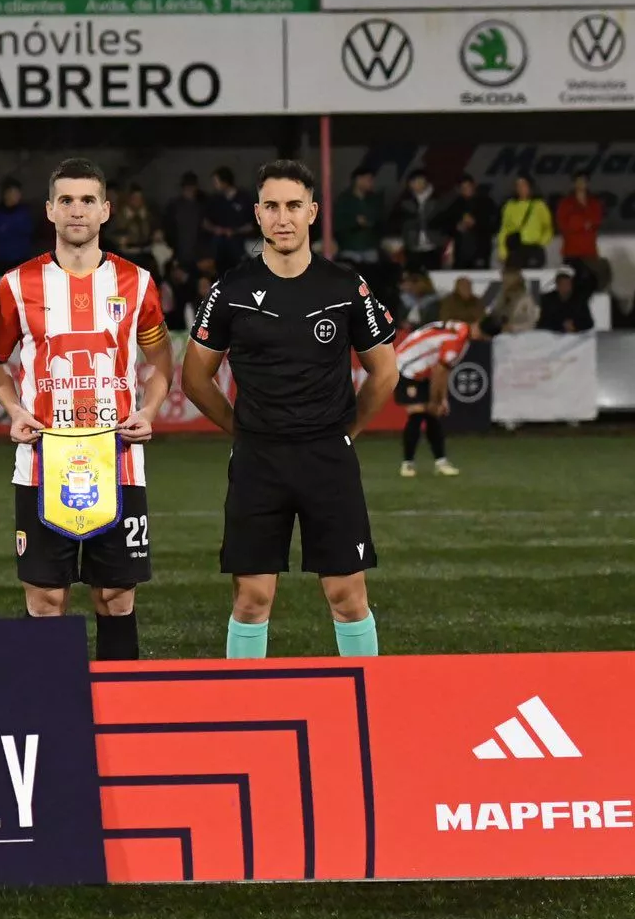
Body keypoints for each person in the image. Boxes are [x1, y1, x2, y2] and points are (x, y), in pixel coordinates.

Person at [180, 160, 399, 660]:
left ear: (312, 213)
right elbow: (194, 377)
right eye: (273, 207)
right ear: (258, 215)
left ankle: (365, 704)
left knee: (347, 596)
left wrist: (349, 430)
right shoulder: (231, 289)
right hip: (259, 460)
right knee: (252, 600)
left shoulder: (345, 285)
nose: (284, 217)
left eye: (294, 206)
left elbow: (384, 371)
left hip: (328, 458)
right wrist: (242, 431)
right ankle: (247, 712)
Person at [0, 160, 171, 662]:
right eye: (66, 200)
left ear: (106, 210)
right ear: (49, 210)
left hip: (120, 463)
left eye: (88, 200)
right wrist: (13, 409)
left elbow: (160, 359)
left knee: (116, 595)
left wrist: (149, 408)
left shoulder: (138, 283)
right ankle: (47, 719)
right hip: (42, 463)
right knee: (45, 600)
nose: (77, 210)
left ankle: (123, 716)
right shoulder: (18, 285)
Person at [393, 321, 471, 478]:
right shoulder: (455, 339)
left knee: (432, 416)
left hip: (424, 370)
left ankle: (441, 462)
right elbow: (440, 372)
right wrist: (438, 400)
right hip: (405, 367)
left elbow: (442, 372)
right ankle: (408, 464)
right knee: (417, 413)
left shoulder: (457, 331)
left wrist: (441, 399)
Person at [555, 173, 607, 296]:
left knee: (590, 285)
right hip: (571, 251)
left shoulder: (594, 203)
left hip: (589, 252)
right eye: (578, 182)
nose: (580, 185)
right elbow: (563, 225)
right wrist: (583, 223)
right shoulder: (566, 203)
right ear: (573, 184)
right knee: (570, 287)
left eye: (583, 181)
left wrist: (577, 222)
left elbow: (596, 221)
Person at [391, 169, 448, 271]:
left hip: (433, 246)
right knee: (413, 276)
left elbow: (445, 221)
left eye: (418, 181)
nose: (415, 185)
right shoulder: (404, 201)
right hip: (413, 246)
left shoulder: (439, 199)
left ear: (426, 181)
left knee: (434, 276)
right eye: (412, 182)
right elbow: (397, 221)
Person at [202, 166, 254, 273]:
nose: (214, 185)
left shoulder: (244, 198)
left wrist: (234, 231)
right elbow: (205, 222)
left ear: (225, 182)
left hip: (241, 247)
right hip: (220, 248)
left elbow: (253, 224)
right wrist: (216, 229)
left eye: (216, 182)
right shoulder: (215, 200)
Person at [331, 166, 386, 264]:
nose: (371, 183)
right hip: (349, 247)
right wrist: (355, 221)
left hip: (370, 247)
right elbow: (337, 223)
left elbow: (381, 219)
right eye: (368, 179)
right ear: (358, 180)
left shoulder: (374, 200)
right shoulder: (344, 200)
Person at [497, 175, 554, 267]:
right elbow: (504, 229)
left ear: (530, 187)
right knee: (514, 278)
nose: (521, 188)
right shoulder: (509, 206)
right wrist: (502, 251)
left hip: (533, 248)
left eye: (524, 185)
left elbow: (548, 227)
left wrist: (540, 242)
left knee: (533, 278)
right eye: (518, 185)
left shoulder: (539, 205)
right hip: (515, 249)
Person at [447, 177, 497, 270]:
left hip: (480, 249)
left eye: (468, 187)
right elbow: (445, 225)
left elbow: (494, 225)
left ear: (474, 186)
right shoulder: (455, 205)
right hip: (461, 252)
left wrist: (476, 223)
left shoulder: (486, 203)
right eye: (463, 188)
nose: (466, 190)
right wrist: (457, 227)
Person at [0, 178, 36, 272]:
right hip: (3, 261)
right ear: (6, 194)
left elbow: (28, 231)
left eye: (18, 193)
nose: (17, 196)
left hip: (23, 260)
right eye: (14, 193)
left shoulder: (25, 213)